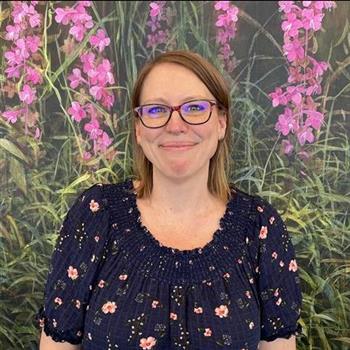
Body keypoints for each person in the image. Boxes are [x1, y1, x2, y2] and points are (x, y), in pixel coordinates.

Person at [36, 50, 302, 350]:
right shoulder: (97, 215)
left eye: (196, 107)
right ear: (138, 128)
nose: (175, 125)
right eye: (155, 111)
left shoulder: (259, 227)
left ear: (221, 123)